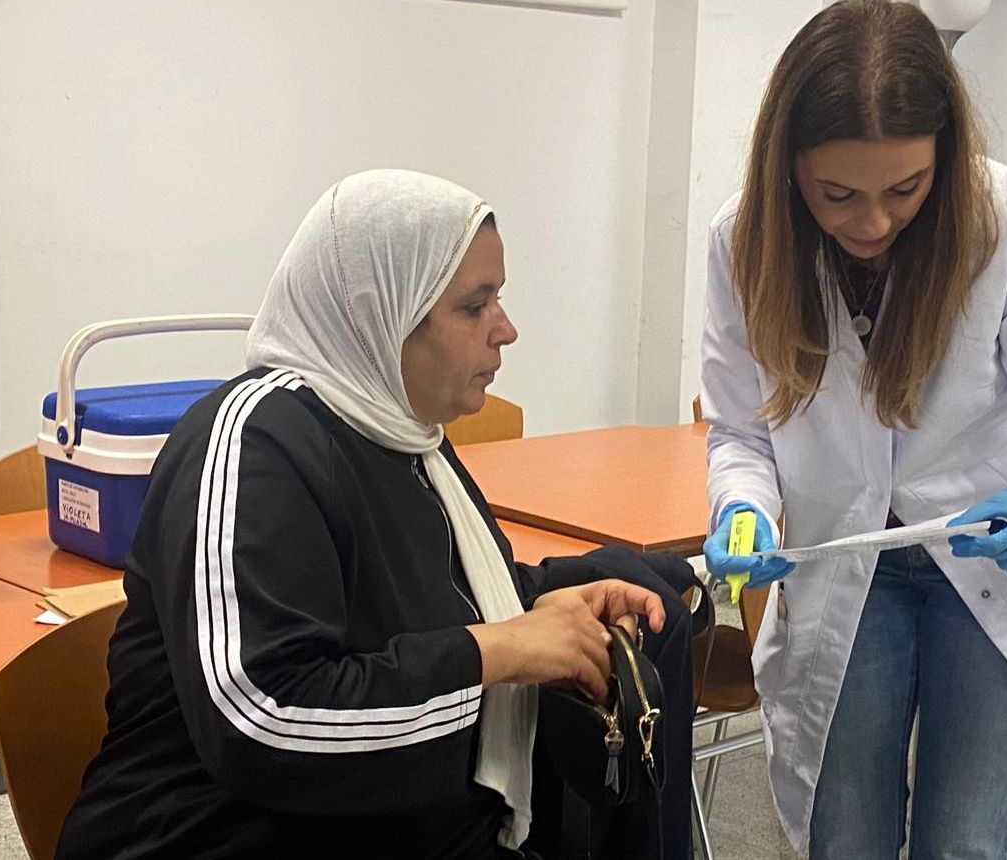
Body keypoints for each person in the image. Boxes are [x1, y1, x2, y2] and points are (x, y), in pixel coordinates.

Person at [56, 170, 697, 859]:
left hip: (387, 826)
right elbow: (265, 719)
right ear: (379, 313)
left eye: (498, 299)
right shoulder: (254, 443)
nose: (505, 330)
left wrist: (557, 603)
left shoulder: (407, 435)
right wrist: (504, 647)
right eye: (474, 306)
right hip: (224, 837)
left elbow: (437, 597)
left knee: (641, 581)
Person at [699, 0, 1007, 859]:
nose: (870, 223)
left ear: (945, 155)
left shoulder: (1005, 222)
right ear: (789, 169)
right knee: (845, 831)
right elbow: (742, 436)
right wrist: (740, 507)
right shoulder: (744, 241)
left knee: (962, 839)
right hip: (846, 566)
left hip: (987, 569)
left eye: (905, 189)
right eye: (837, 194)